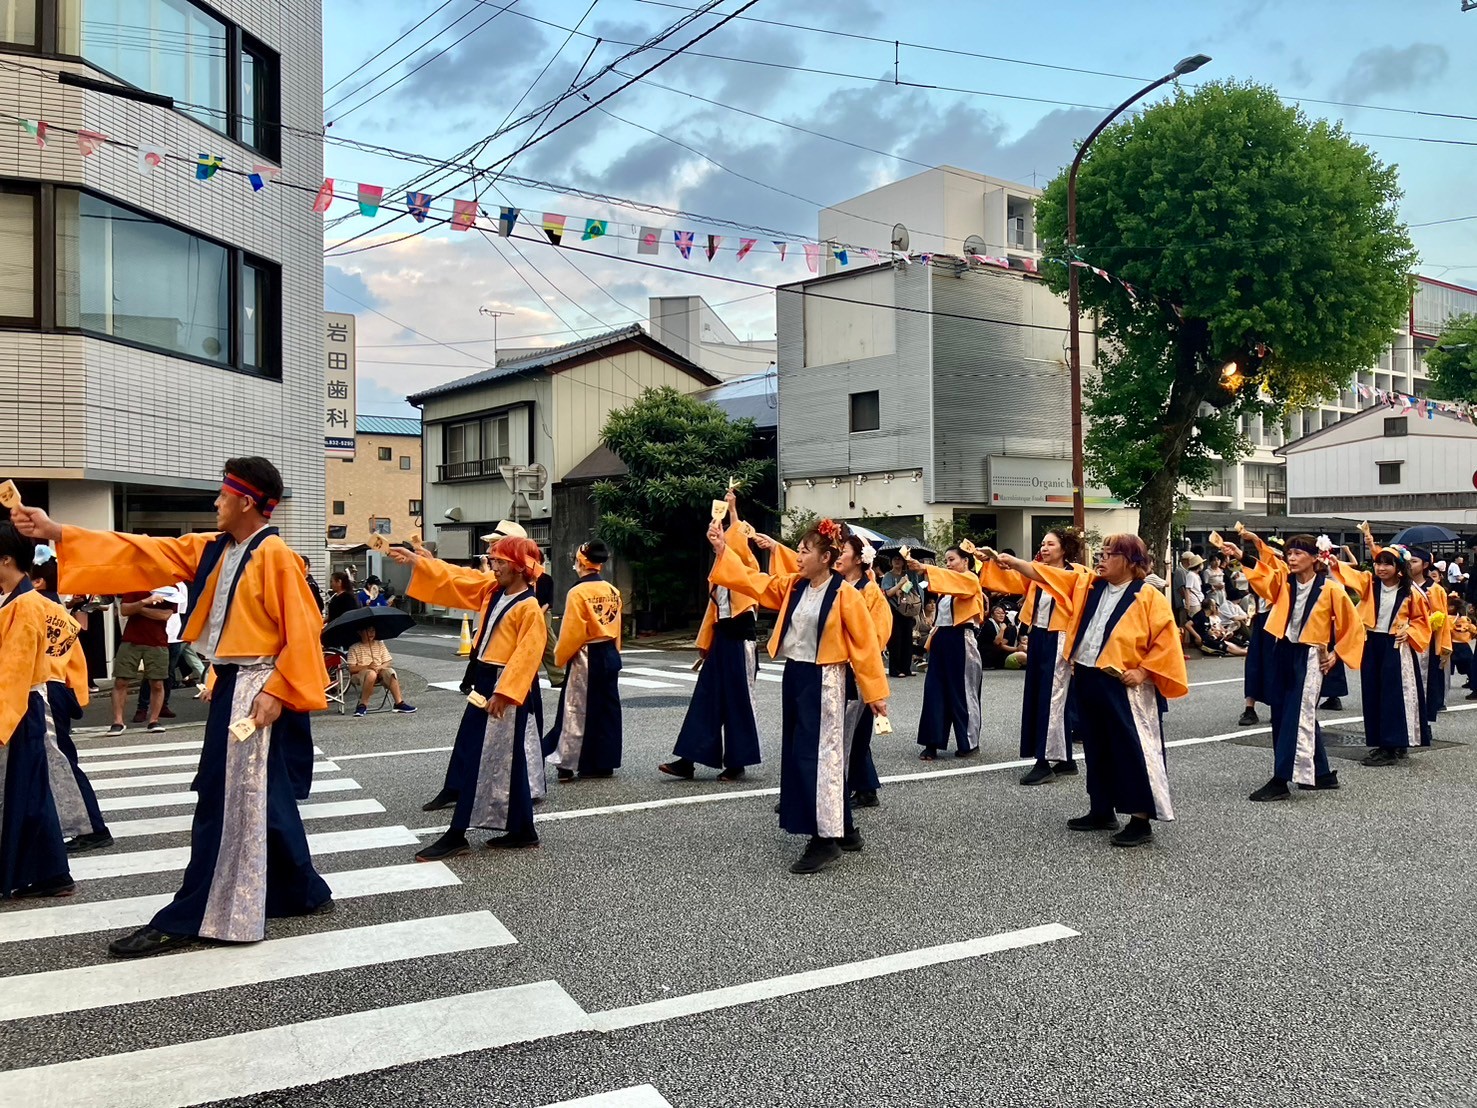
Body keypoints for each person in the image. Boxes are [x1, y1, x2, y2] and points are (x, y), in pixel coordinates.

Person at [15, 456, 333, 956]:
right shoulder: (216, 549)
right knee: (256, 793)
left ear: (245, 501)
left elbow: (304, 632)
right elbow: (145, 551)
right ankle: (301, 889)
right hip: (236, 682)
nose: (215, 502)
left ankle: (195, 913)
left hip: (256, 686)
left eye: (222, 495)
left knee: (224, 801)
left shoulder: (278, 557)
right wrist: (58, 531)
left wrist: (277, 692)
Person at [706, 518, 888, 874]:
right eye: (800, 551)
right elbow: (754, 581)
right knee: (802, 753)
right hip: (797, 673)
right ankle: (844, 827)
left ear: (827, 557)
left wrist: (875, 693)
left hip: (827, 678)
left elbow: (865, 647)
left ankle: (825, 839)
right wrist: (722, 550)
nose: (799, 557)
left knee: (819, 757)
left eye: (805, 551)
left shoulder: (845, 594)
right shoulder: (795, 587)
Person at [394, 537, 548, 858]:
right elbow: (458, 576)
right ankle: (523, 829)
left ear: (520, 567)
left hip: (503, 685)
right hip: (486, 681)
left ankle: (456, 833)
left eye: (500, 561)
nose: (493, 566)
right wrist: (421, 562)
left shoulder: (529, 607)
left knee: (480, 757)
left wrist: (505, 693)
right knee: (504, 757)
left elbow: (528, 654)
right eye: (493, 560)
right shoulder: (494, 590)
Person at [1064, 534, 1189, 849]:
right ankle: (1101, 808)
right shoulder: (1093, 588)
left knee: (1132, 747)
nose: (1101, 559)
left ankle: (1140, 818)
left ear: (1132, 562)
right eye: (1101, 553)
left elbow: (1166, 639)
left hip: (1125, 681)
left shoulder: (1148, 596)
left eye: (1109, 554)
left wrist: (1143, 670)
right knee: (1096, 745)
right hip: (1090, 674)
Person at [1228, 532, 1365, 801]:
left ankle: (1282, 779)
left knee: (1296, 714)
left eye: (1298, 553)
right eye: (1289, 553)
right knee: (1282, 711)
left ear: (1315, 558)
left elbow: (1354, 627)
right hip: (1283, 650)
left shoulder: (1331, 589)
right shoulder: (1284, 583)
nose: (1291, 558)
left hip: (1311, 654)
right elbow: (1264, 579)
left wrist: (1336, 654)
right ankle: (1322, 773)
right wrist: (1242, 556)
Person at [662, 490, 763, 784]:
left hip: (741, 641)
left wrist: (733, 511)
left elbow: (739, 543)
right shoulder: (721, 570)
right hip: (721, 641)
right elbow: (713, 613)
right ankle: (688, 758)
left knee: (737, 702)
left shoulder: (749, 570)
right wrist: (705, 645)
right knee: (705, 699)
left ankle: (737, 762)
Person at [0, 522, 78, 898]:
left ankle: (48, 873)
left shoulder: (25, 605)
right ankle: (49, 873)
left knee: (25, 790)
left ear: (6, 559)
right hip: (21, 702)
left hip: (18, 703)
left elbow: (13, 670)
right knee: (29, 790)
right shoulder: (20, 600)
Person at [984, 528, 1092, 786]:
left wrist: (1012, 560)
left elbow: (1035, 572)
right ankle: (1065, 759)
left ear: (1064, 549)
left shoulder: (1074, 573)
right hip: (1040, 636)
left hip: (1060, 638)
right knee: (1039, 695)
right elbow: (1012, 579)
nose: (1044, 548)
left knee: (1051, 698)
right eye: (1042, 544)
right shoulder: (1038, 571)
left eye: (1050, 544)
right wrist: (992, 560)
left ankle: (1044, 761)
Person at [29, 548, 113, 853]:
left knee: (59, 761)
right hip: (56, 687)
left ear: (36, 580)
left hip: (46, 687)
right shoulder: (53, 606)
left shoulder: (37, 606)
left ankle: (92, 827)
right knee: (52, 761)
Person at [1328, 539, 1431, 765]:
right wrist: (1335, 563)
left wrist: (1411, 631)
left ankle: (1394, 744)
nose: (1381, 568)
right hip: (1372, 642)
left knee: (1395, 695)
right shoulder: (1369, 584)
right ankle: (1382, 742)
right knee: (1373, 692)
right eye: (1378, 563)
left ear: (1399, 568)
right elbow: (1349, 575)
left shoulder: (1411, 593)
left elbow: (1423, 621)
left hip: (1397, 646)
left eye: (1388, 564)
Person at [544, 540, 623, 782]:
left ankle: (567, 763)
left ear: (580, 562)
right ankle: (603, 761)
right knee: (607, 709)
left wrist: (560, 657)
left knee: (575, 708)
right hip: (609, 651)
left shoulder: (577, 592)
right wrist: (615, 652)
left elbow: (572, 632)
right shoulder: (612, 590)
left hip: (586, 654)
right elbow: (616, 626)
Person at [907, 547, 985, 760]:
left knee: (963, 692)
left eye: (952, 559)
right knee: (934, 690)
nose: (948, 563)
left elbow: (960, 586)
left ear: (966, 561)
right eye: (946, 560)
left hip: (962, 638)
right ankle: (931, 742)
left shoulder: (970, 580)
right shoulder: (946, 586)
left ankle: (968, 741)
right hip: (942, 638)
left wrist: (925, 567)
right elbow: (946, 583)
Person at [835, 530, 892, 810]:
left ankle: (839, 790)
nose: (837, 555)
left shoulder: (869, 591)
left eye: (842, 550)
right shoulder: (836, 585)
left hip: (856, 670)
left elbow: (877, 635)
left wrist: (862, 666)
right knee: (851, 734)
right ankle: (865, 788)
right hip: (836, 667)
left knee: (847, 734)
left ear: (859, 559)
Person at [109, 587, 175, 734]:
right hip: (131, 640)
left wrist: (139, 608)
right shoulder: (135, 585)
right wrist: (146, 602)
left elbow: (164, 615)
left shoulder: (170, 588)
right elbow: (124, 610)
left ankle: (154, 720)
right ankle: (118, 721)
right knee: (121, 680)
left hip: (158, 641)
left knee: (157, 682)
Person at [136, 582, 188, 723]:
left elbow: (182, 611)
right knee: (151, 674)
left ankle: (163, 705)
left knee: (169, 673)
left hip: (173, 635)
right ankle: (142, 707)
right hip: (154, 635)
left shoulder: (180, 586)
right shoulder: (151, 583)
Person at [345, 626, 417, 717]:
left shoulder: (380, 644)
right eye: (368, 631)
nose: (371, 633)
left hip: (379, 671)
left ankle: (399, 703)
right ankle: (362, 704)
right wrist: (368, 666)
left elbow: (388, 661)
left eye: (373, 630)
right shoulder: (354, 648)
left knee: (390, 672)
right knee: (371, 674)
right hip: (361, 674)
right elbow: (351, 668)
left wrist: (379, 667)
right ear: (360, 632)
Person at [879, 553, 923, 678]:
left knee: (907, 640)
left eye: (899, 559)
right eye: (894, 559)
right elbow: (887, 592)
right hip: (894, 610)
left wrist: (906, 585)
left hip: (907, 609)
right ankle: (895, 669)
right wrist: (900, 584)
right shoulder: (888, 575)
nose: (897, 561)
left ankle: (906, 668)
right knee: (895, 640)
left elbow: (913, 590)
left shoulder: (909, 574)